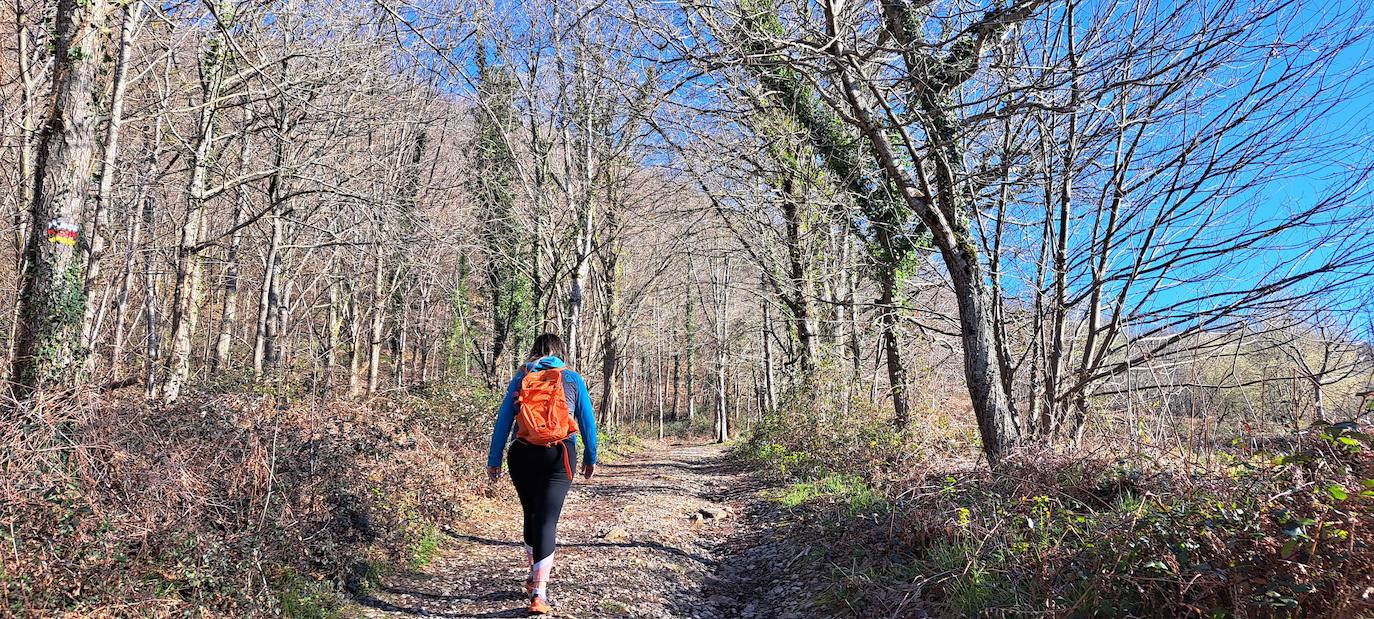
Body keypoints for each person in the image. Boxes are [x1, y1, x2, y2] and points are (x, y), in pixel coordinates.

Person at [487, 333, 597, 615]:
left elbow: (503, 421)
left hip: (522, 453)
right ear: (561, 353)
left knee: (530, 514)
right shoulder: (572, 378)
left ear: (534, 351)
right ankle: (539, 591)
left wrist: (494, 459)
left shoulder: (521, 376)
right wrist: (591, 457)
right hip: (560, 454)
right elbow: (587, 422)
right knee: (547, 520)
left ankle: (533, 573)